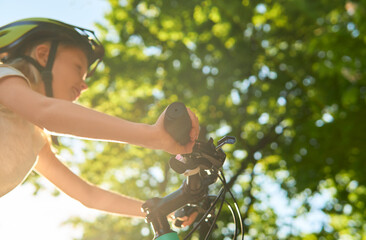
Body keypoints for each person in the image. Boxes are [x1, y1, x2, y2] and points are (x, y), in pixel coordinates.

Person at [0, 18, 199, 225]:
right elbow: (47, 112)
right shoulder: (3, 75)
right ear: (43, 55)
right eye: (78, 68)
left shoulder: (34, 138)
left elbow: (89, 195)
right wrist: (153, 136)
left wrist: (163, 209)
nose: (84, 85)